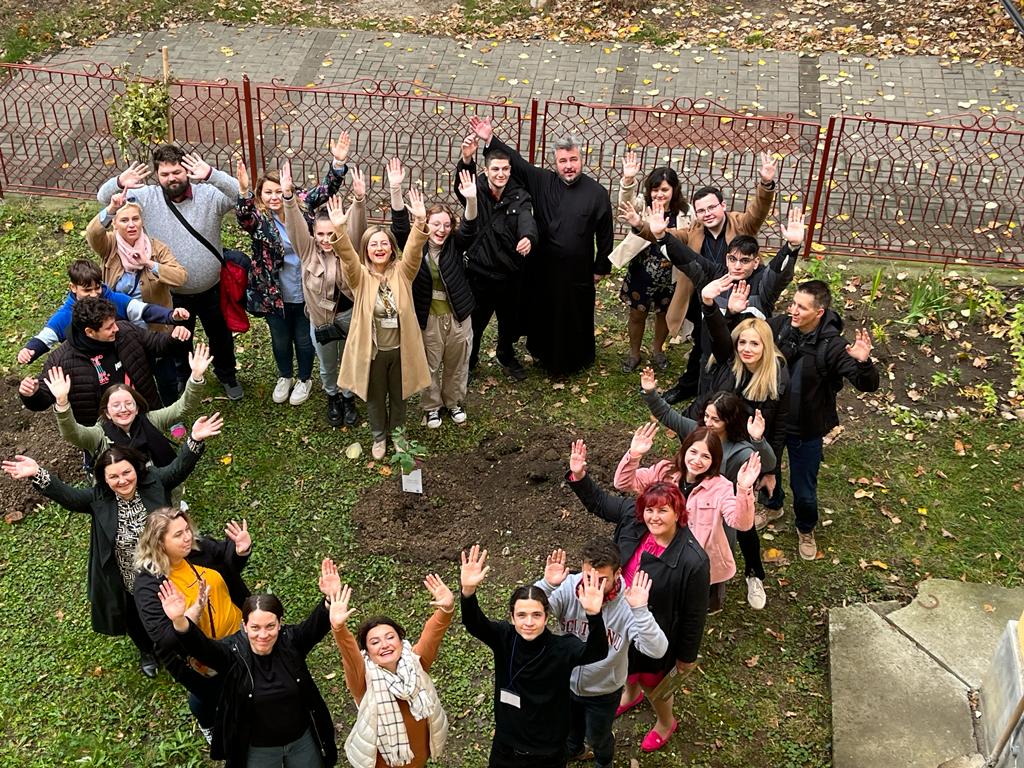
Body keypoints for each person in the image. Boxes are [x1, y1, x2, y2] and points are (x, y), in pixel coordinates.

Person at [1, 414, 222, 677]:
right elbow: (69, 496)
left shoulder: (154, 483)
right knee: (137, 617)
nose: (122, 480)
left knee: (176, 608)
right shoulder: (99, 499)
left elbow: (178, 469)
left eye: (127, 472)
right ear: (104, 479)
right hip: (128, 577)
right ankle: (146, 651)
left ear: (136, 470)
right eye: (113, 476)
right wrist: (37, 473)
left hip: (169, 568)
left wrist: (194, 440)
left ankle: (183, 645)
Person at [563, 441, 711, 753]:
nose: (654, 517)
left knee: (653, 681)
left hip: (653, 626)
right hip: (618, 612)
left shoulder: (692, 560)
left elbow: (694, 615)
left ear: (678, 513)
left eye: (663, 511)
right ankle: (630, 695)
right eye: (649, 510)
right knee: (624, 666)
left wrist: (686, 658)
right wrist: (579, 475)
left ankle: (665, 721)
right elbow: (601, 503)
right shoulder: (633, 516)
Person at [159, 558, 342, 767]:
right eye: (255, 627)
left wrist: (330, 598)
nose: (263, 635)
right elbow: (202, 648)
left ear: (280, 624)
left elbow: (315, 627)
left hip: (301, 741)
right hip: (257, 748)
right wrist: (180, 621)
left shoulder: (291, 641)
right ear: (244, 626)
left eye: (270, 626)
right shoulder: (232, 652)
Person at [468, 116, 613, 376]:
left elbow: (605, 234)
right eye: (563, 161)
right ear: (554, 163)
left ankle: (576, 358)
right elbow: (519, 165)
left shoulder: (597, 193)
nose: (569, 166)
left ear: (581, 160)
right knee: (543, 311)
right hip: (542, 268)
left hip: (577, 271)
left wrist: (601, 266)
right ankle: (541, 353)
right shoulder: (543, 182)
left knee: (574, 315)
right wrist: (490, 138)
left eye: (573, 160)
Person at [98, 145, 244, 399]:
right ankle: (185, 378)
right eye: (164, 174)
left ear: (186, 170)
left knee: (220, 335)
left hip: (212, 287)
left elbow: (239, 194)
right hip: (170, 290)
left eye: (176, 172)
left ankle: (227, 375)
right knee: (178, 338)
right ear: (157, 175)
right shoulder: (146, 197)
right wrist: (120, 181)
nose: (171, 178)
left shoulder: (208, 195)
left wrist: (211, 174)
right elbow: (103, 198)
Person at [637, 154, 778, 404]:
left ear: (723, 205)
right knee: (703, 348)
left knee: (738, 346)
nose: (707, 214)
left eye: (712, 207)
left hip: (740, 298)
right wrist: (641, 225)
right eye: (701, 210)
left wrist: (766, 184)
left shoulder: (741, 224)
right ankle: (691, 387)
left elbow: (758, 211)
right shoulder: (694, 230)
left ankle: (739, 392)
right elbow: (666, 236)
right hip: (707, 301)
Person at [460, 544, 609, 768]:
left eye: (536, 615)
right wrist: (468, 592)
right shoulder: (504, 637)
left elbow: (598, 651)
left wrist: (594, 615)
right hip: (506, 747)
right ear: (511, 617)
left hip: (548, 751)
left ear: (546, 617)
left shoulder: (562, 648)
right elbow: (475, 623)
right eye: (521, 615)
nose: (528, 622)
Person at [641, 368, 776, 609]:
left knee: (739, 539)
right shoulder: (697, 432)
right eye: (707, 416)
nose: (708, 423)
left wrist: (758, 440)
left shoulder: (739, 449)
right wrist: (651, 392)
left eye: (716, 419)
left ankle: (753, 575)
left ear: (729, 421)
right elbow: (667, 414)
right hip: (698, 501)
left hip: (731, 504)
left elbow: (768, 463)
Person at [766, 279, 880, 560]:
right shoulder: (781, 327)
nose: (793, 311)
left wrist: (864, 362)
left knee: (804, 488)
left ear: (819, 312)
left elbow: (867, 385)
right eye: (793, 304)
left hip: (807, 429)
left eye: (802, 308)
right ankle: (771, 505)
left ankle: (805, 527)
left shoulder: (833, 346)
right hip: (772, 422)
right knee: (767, 471)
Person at [235, 135, 352, 407]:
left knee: (304, 337)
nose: (275, 197)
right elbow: (243, 216)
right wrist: (243, 192)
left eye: (279, 191)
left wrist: (338, 162)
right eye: (268, 192)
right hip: (274, 292)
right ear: (261, 195)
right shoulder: (260, 220)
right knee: (280, 339)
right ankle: (285, 376)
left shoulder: (302, 204)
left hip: (308, 288)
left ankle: (304, 378)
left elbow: (327, 189)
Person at [535, 540, 669, 768]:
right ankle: (574, 750)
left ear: (617, 573)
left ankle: (603, 760)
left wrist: (640, 611)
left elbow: (657, 650)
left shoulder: (628, 603)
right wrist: (547, 586)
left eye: (601, 580)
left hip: (603, 691)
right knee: (568, 729)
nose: (592, 587)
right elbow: (532, 616)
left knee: (597, 736)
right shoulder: (568, 587)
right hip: (565, 683)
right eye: (588, 577)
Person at [327, 183, 431, 461]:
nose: (379, 247)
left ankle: (398, 436)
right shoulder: (360, 277)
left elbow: (414, 249)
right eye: (373, 244)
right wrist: (339, 229)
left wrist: (420, 220)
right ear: (367, 250)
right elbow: (347, 258)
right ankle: (378, 438)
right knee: (375, 399)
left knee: (399, 397)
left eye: (384, 243)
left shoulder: (403, 272)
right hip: (373, 353)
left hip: (400, 350)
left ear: (391, 248)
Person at [133, 508, 252, 741]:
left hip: (239, 632)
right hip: (203, 656)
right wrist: (188, 616)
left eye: (187, 530)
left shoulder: (198, 548)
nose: (187, 537)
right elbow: (163, 639)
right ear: (159, 543)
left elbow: (227, 564)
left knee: (249, 676)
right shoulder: (148, 584)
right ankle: (208, 721)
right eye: (178, 535)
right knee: (212, 694)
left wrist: (240, 550)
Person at [614, 423, 759, 613]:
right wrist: (634, 455)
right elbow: (622, 483)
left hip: (699, 561)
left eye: (706, 456)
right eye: (693, 452)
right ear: (685, 450)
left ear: (714, 460)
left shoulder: (721, 487)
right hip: (663, 552)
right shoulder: (664, 471)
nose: (697, 460)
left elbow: (741, 523)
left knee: (698, 603)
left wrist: (743, 489)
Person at [330, 575, 455, 768]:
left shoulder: (415, 663)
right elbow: (350, 656)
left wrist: (445, 610)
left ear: (400, 640)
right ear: (367, 652)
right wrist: (339, 628)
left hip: (419, 761)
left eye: (390, 637)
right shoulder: (363, 679)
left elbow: (432, 636)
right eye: (375, 642)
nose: (385, 645)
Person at [279, 161, 367, 427]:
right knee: (328, 364)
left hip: (349, 315)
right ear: (314, 234)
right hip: (321, 321)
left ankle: (348, 396)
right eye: (321, 234)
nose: (326, 239)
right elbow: (294, 226)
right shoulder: (307, 251)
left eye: (331, 233)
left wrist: (359, 200)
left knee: (349, 360)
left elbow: (357, 227)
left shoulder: (348, 248)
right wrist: (288, 198)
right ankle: (332, 396)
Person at [700, 275, 791, 533]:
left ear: (766, 346)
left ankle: (766, 507)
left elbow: (779, 425)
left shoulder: (777, 376)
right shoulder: (732, 361)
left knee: (750, 482)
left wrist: (771, 469)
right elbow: (719, 335)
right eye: (742, 342)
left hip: (754, 438)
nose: (746, 349)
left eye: (754, 343)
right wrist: (710, 304)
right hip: (725, 430)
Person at [18, 296, 192, 427]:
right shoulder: (62, 360)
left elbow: (156, 344)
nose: (116, 328)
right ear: (90, 332)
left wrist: (174, 338)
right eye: (109, 327)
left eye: (114, 322)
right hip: (103, 432)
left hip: (143, 416)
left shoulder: (125, 331)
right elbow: (44, 398)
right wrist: (31, 394)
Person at [86, 191, 189, 405]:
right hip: (122, 329)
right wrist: (110, 209)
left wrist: (150, 264)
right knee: (132, 376)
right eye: (124, 220)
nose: (131, 225)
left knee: (166, 376)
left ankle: (170, 414)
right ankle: (140, 412)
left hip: (156, 328)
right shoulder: (110, 246)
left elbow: (180, 277)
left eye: (135, 219)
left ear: (142, 221)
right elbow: (93, 234)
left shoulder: (156, 248)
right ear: (115, 224)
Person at [43, 343, 211, 468]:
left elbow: (183, 407)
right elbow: (72, 433)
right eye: (115, 405)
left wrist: (195, 377)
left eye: (128, 403)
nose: (123, 409)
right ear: (106, 413)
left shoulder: (151, 420)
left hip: (162, 487)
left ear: (137, 408)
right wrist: (62, 402)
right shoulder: (98, 435)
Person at [456, 136, 538, 381]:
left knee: (508, 322)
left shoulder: (519, 196)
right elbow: (462, 185)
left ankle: (505, 354)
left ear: (510, 170)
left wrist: (528, 237)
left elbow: (527, 220)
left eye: (505, 169)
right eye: (495, 169)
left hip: (509, 275)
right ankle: (469, 363)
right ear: (486, 170)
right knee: (476, 324)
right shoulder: (476, 189)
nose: (500, 174)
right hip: (479, 274)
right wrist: (466, 159)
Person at [403, 168, 477, 428]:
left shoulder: (455, 245)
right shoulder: (416, 247)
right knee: (430, 364)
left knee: (457, 363)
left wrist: (471, 199)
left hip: (457, 317)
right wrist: (395, 189)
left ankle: (453, 402)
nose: (442, 229)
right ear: (425, 224)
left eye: (446, 225)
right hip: (429, 319)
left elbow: (470, 227)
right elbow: (400, 227)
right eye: (436, 224)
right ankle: (432, 407)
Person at [16, 259, 188, 369]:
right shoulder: (65, 315)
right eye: (87, 290)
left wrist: (171, 315)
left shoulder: (114, 299)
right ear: (73, 288)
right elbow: (45, 338)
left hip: (128, 359)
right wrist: (30, 350)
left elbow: (144, 310)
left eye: (97, 287)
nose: (94, 294)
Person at [615, 152, 692, 372]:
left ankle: (658, 351)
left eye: (665, 190)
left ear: (674, 190)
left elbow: (689, 239)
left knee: (663, 314)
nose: (659, 194)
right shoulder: (642, 204)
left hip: (671, 273)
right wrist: (628, 181)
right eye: (655, 189)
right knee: (637, 313)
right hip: (642, 270)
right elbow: (624, 208)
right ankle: (634, 354)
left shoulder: (685, 213)